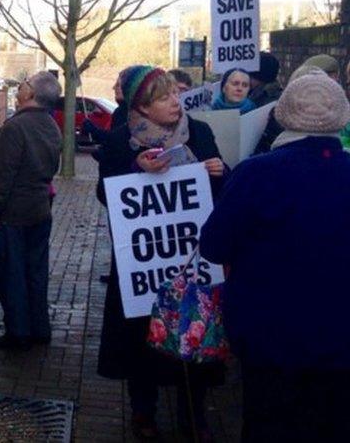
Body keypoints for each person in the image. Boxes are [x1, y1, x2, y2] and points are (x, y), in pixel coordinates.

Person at [200, 73, 350, 441]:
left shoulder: (256, 174)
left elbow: (214, 245)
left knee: (269, 427)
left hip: (268, 339)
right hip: (341, 340)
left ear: (282, 115)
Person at [96, 66, 227, 441]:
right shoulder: (122, 141)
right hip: (144, 265)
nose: (175, 102)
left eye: (175, 94)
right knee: (142, 339)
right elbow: (106, 195)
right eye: (164, 97)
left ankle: (194, 414)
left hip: (190, 261)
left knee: (193, 333)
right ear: (143, 106)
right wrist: (134, 169)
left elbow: (220, 190)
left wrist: (221, 169)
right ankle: (143, 412)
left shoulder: (198, 132)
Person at [0, 71, 62, 350]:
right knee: (36, 271)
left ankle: (17, 332)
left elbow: (0, 177)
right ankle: (39, 327)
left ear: (32, 94)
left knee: (12, 273)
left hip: (13, 214)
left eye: (24, 85)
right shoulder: (51, 125)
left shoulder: (15, 128)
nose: (19, 89)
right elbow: (53, 168)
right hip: (40, 209)